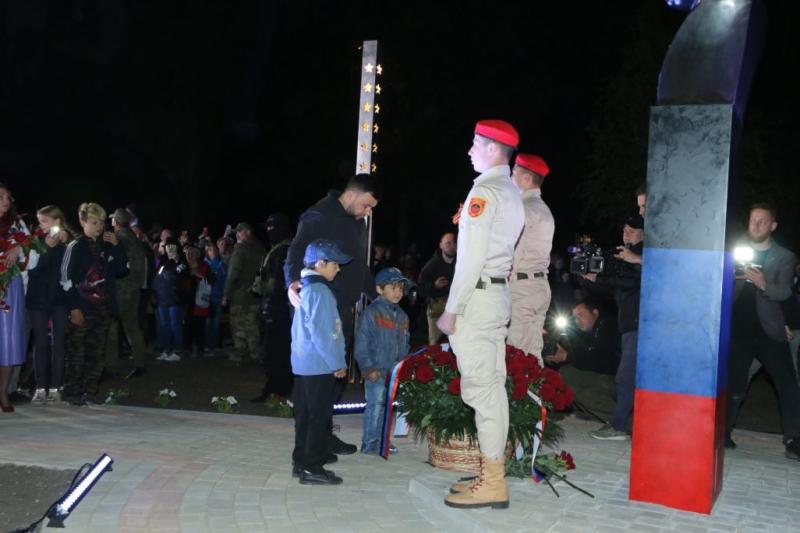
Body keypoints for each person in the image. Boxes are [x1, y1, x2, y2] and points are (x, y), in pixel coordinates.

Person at [436, 119, 525, 510]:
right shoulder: (510, 189)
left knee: (482, 391)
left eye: (475, 143)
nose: (470, 150)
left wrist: (451, 311)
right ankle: (491, 475)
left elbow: (469, 260)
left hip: (479, 297)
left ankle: (493, 482)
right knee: (492, 388)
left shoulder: (485, 191)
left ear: (493, 149)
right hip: (496, 296)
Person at [284, 173, 381, 455]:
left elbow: (360, 267)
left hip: (344, 310)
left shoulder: (357, 222)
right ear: (351, 195)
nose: (368, 211)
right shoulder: (318, 215)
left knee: (333, 379)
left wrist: (378, 296)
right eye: (366, 205)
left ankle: (323, 435)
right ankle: (306, 446)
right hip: (318, 309)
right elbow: (296, 251)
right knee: (313, 382)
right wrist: (291, 281)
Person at [725, 204, 800, 460]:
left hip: (770, 334)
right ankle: (723, 434)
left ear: (773, 226)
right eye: (752, 220)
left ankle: (793, 440)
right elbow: (718, 283)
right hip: (737, 332)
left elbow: (785, 292)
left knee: (788, 386)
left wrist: (763, 283)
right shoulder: (733, 250)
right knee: (734, 386)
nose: (755, 225)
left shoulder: (784, 257)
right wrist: (731, 275)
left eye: (762, 221)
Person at [290, 239, 350, 485]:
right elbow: (324, 333)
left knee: (304, 415)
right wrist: (337, 362)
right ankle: (312, 467)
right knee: (318, 417)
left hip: (304, 363)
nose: (338, 268)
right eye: (335, 263)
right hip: (320, 364)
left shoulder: (305, 287)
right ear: (321, 263)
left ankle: (301, 461)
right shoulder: (321, 291)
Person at [583, 213, 644, 440]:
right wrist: (589, 278)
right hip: (628, 323)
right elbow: (615, 289)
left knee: (626, 377)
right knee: (630, 377)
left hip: (640, 323)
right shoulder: (624, 255)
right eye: (624, 230)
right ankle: (626, 424)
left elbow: (633, 283)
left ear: (643, 234)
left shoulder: (644, 256)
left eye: (632, 230)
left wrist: (601, 280)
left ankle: (618, 426)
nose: (626, 233)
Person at [61, 202, 128, 405]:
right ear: (82, 222)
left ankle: (91, 389)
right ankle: (72, 391)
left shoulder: (107, 244)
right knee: (77, 351)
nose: (99, 227)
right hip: (82, 306)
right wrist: (73, 308)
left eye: (101, 223)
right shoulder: (76, 246)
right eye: (93, 222)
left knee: (97, 351)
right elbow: (65, 280)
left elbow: (122, 269)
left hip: (103, 308)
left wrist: (118, 247)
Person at [354, 267, 411, 454]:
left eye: (401, 288)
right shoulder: (371, 313)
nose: (398, 292)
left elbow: (404, 344)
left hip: (393, 371)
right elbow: (361, 344)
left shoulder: (403, 316)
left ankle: (382, 441)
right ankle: (370, 442)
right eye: (393, 287)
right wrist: (368, 367)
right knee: (375, 405)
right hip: (376, 370)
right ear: (380, 289)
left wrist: (404, 366)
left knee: (387, 407)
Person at [507, 153, 554, 362]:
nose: (510, 178)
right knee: (532, 355)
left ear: (526, 179)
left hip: (522, 288)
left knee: (517, 358)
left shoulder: (523, 208)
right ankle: (539, 394)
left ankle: (525, 396)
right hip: (539, 286)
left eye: (513, 173)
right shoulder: (543, 209)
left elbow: (514, 254)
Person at [544, 300, 620, 421]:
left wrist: (567, 356)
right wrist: (559, 357)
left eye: (581, 314)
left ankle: (620, 419)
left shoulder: (607, 325)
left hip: (618, 382)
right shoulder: (589, 333)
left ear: (595, 312)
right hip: (610, 378)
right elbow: (582, 356)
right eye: (574, 317)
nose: (577, 320)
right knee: (566, 372)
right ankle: (595, 412)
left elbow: (601, 361)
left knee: (569, 377)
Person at [0, 183, 40, 412]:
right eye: (1, 196)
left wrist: (18, 250)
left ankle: (3, 391)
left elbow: (31, 252)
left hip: (10, 285)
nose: (6, 200)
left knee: (8, 340)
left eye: (8, 196)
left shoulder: (17, 224)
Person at [28, 205, 73, 403]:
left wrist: (64, 244)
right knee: (40, 343)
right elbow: (32, 271)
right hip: (38, 299)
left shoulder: (69, 242)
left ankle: (55, 387)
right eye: (39, 221)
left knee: (59, 343)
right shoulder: (35, 241)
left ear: (57, 221)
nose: (41, 225)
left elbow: (72, 270)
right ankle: (40, 388)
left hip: (60, 300)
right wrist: (46, 248)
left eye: (45, 221)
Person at [252, 213, 294, 401]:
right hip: (274, 307)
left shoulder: (284, 250)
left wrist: (262, 287)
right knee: (272, 350)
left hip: (281, 308)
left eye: (272, 228)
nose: (269, 232)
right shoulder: (278, 249)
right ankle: (275, 386)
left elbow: (277, 284)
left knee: (278, 350)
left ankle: (279, 388)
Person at [106, 208, 149, 380]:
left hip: (120, 289)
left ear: (115, 222)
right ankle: (140, 363)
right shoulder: (135, 238)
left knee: (111, 328)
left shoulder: (117, 239)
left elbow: (113, 264)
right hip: (134, 289)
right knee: (132, 327)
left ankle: (110, 367)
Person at [222, 222, 265, 362]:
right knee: (253, 324)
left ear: (247, 232)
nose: (237, 235)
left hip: (240, 295)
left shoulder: (240, 249)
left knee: (238, 325)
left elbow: (233, 273)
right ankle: (255, 352)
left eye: (239, 232)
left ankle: (239, 352)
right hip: (255, 292)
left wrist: (226, 294)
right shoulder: (260, 248)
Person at [152, 238, 187, 362]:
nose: (168, 249)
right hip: (162, 299)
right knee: (164, 325)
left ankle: (178, 351)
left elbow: (180, 273)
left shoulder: (182, 261)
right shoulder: (162, 261)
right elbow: (157, 277)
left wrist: (176, 259)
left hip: (175, 299)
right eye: (166, 247)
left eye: (171, 247)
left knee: (175, 324)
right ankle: (166, 350)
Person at [417, 232, 456, 345]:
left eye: (454, 243)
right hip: (437, 310)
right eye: (448, 243)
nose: (452, 246)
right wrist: (434, 286)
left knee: (458, 343)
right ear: (441, 245)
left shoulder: (462, 262)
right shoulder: (431, 266)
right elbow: (420, 288)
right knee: (435, 346)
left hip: (456, 309)